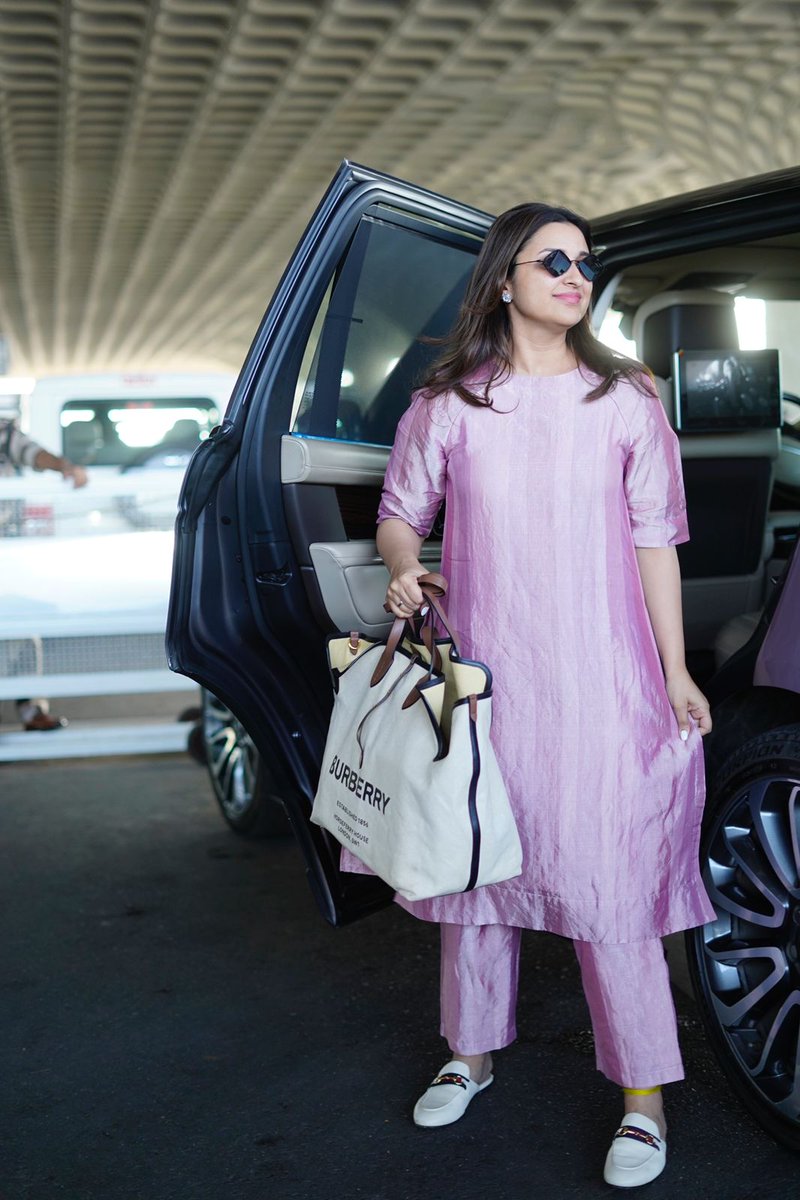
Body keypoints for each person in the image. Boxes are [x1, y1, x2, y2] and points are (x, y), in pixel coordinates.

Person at [363, 203, 715, 1188]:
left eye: (583, 262)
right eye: (551, 259)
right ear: (503, 279)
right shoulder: (448, 405)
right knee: (476, 874)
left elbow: (655, 541)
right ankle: (469, 1054)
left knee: (608, 883)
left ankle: (641, 1099)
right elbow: (399, 515)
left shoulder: (625, 399)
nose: (574, 275)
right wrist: (403, 568)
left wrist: (674, 669)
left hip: (603, 682)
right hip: (483, 680)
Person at [0, 418, 88, 730]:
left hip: (6, 549)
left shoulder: (1, 431)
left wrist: (64, 466)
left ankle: (32, 710)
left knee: (23, 627)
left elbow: (30, 451)